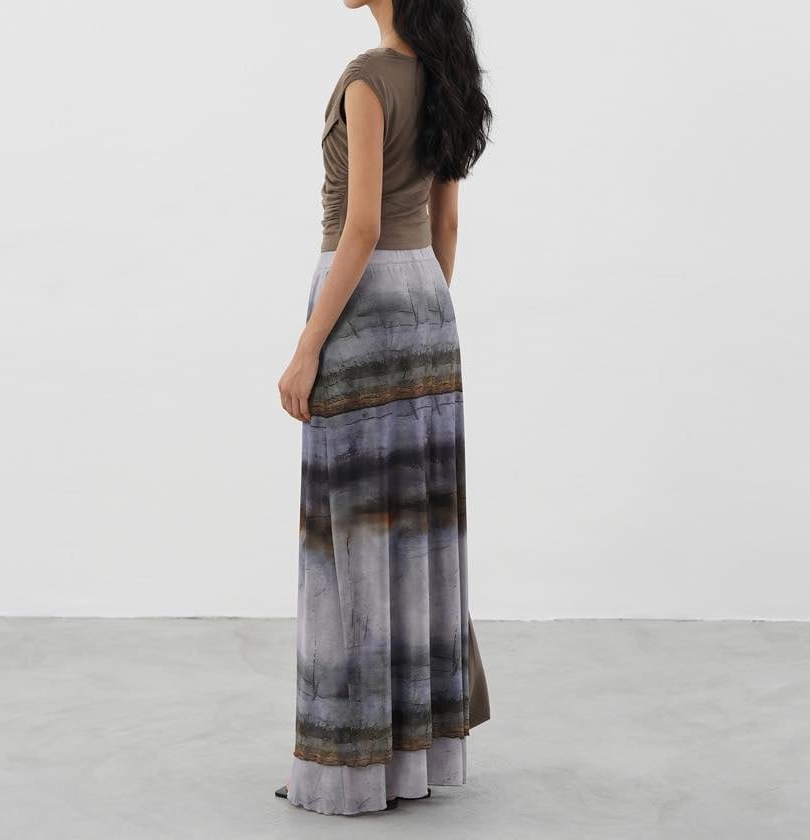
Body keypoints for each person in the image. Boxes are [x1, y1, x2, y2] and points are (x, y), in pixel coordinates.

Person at [276, 0, 492, 816]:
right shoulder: (447, 76)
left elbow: (360, 226)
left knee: (354, 535)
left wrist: (309, 345)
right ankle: (415, 761)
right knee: (418, 532)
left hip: (360, 307)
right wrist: (421, 311)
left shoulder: (367, 79)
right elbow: (446, 219)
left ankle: (350, 769)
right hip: (428, 305)